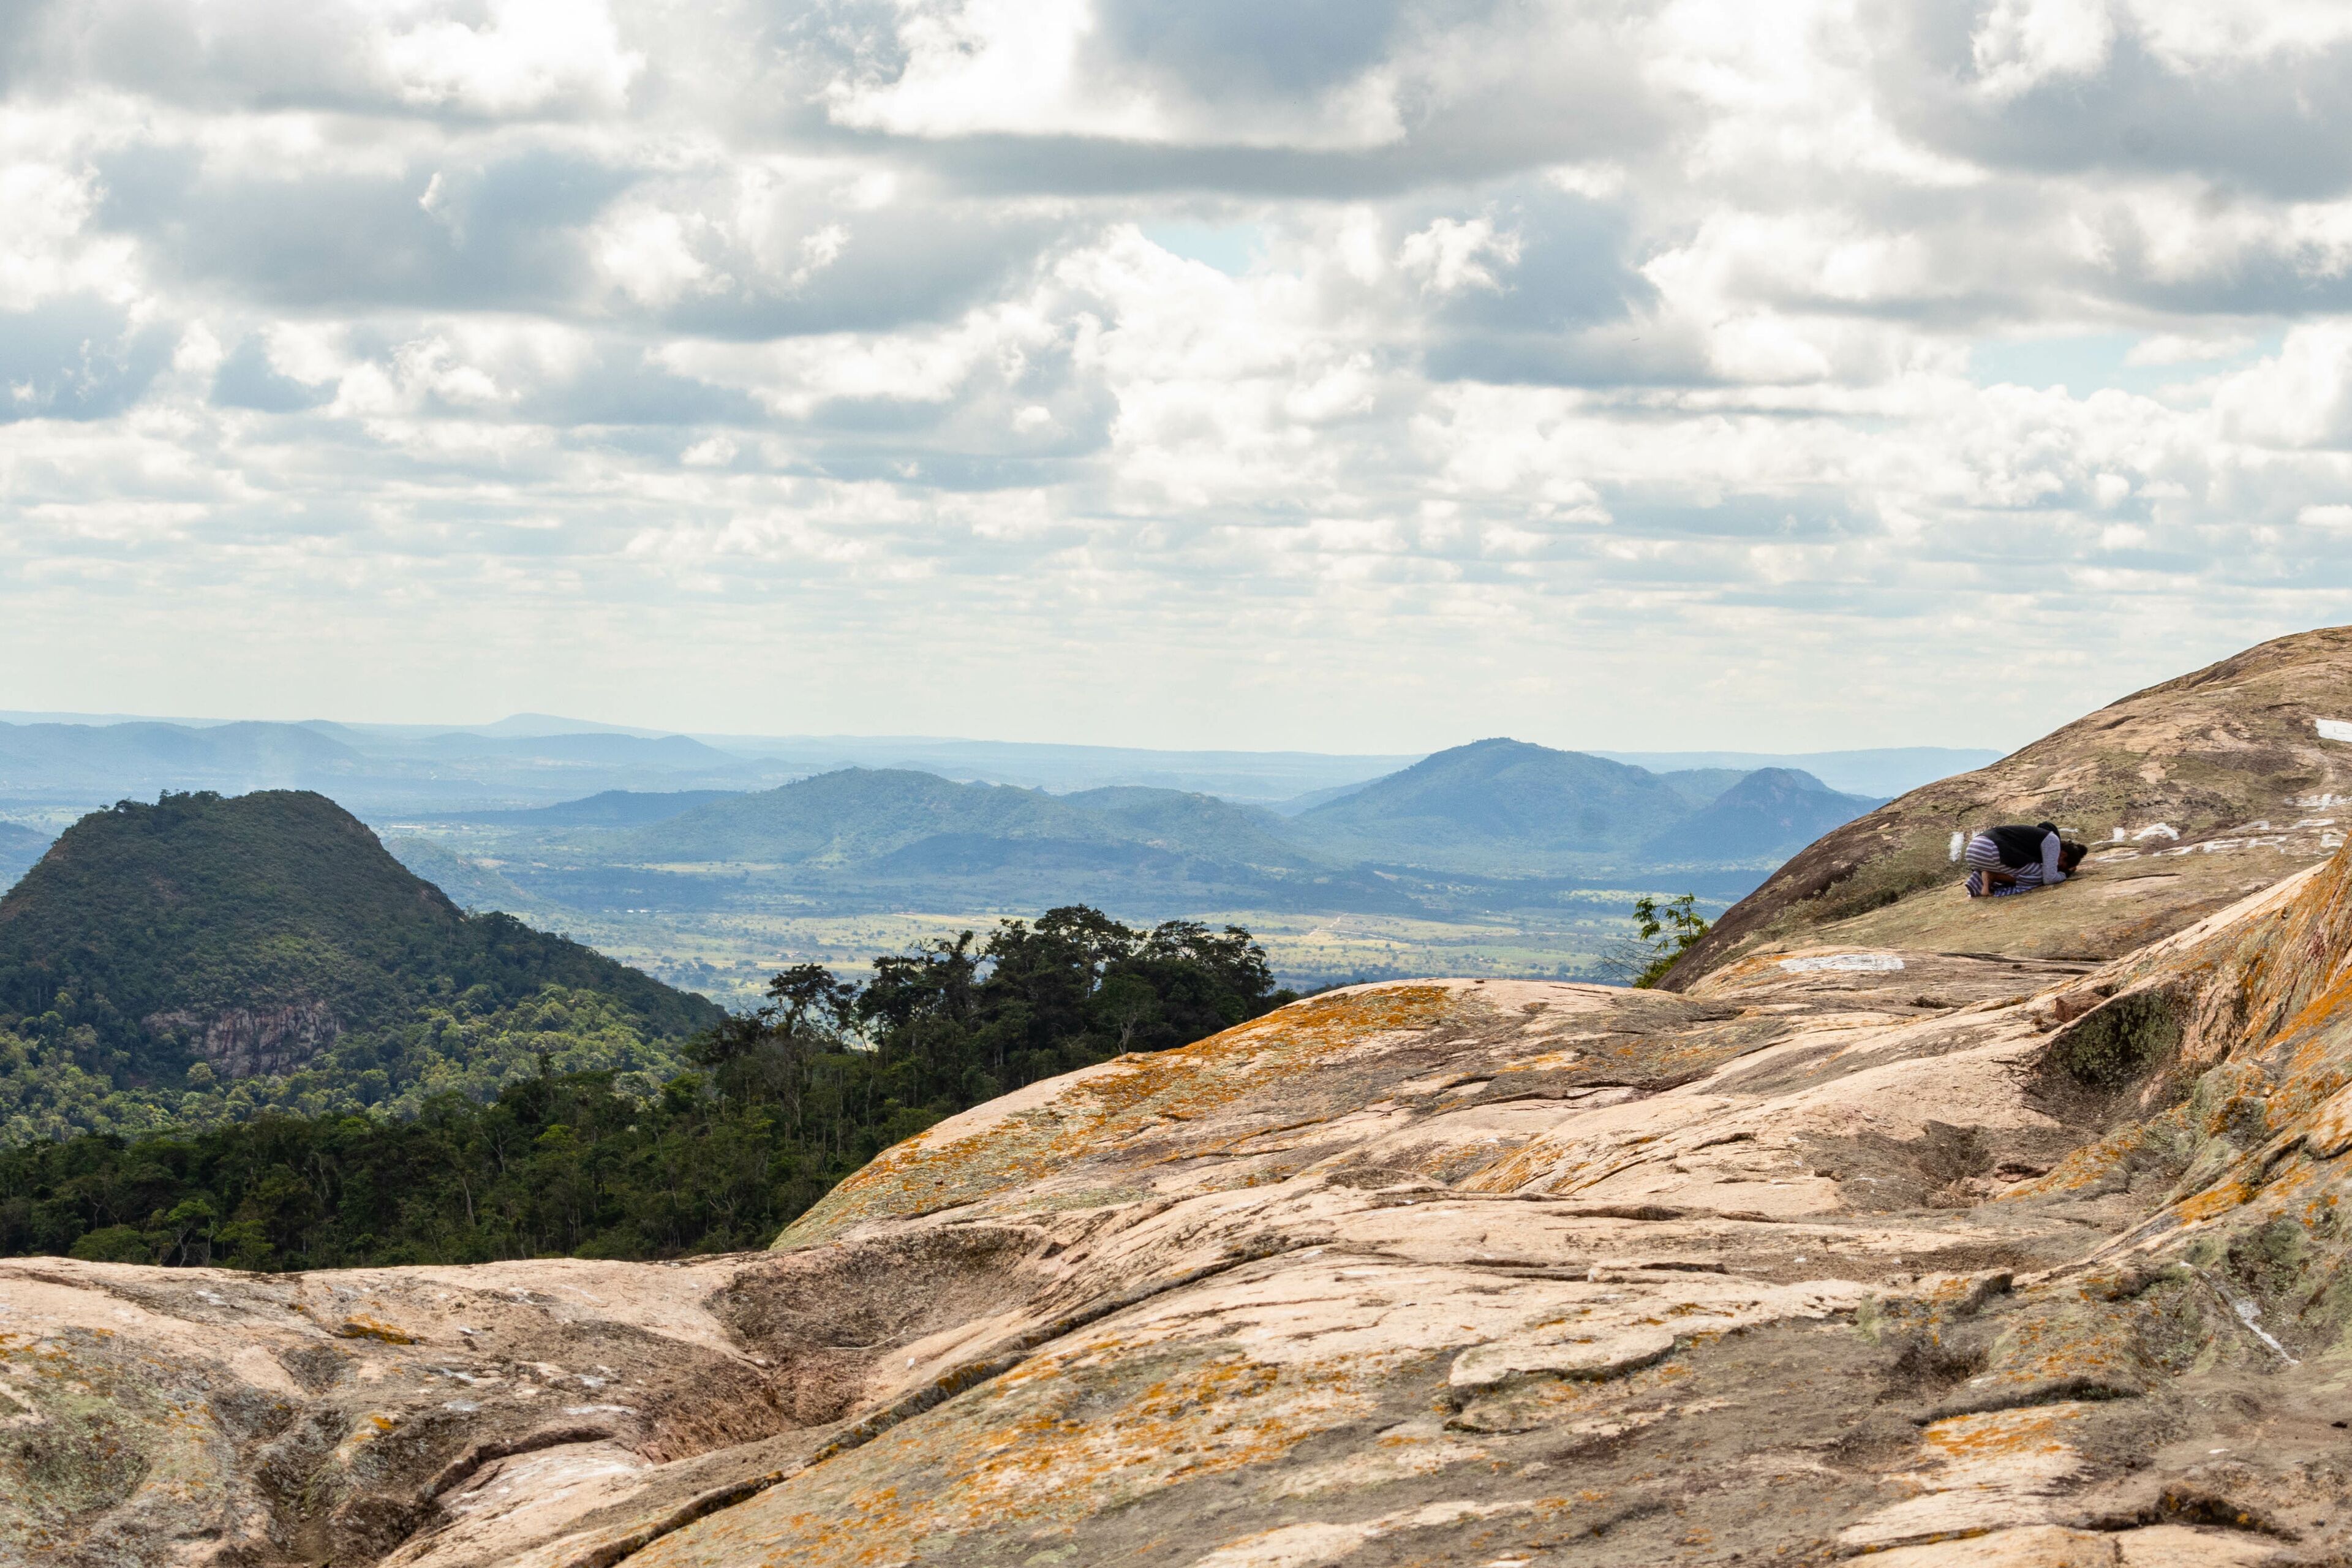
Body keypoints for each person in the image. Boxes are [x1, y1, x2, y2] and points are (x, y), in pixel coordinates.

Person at [1963, 821, 2089, 897]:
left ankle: (1987, 878)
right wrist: (2066, 873)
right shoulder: (2053, 841)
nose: (2057, 868)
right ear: (2063, 855)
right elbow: (2049, 879)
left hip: (1973, 853)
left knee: (2029, 869)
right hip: (1991, 851)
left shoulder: (2037, 837)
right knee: (2041, 874)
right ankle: (1994, 876)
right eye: (2060, 866)